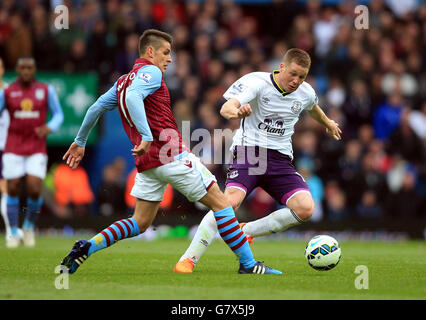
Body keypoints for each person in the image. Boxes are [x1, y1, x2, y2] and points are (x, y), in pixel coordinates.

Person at [60, 29, 281, 275]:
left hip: (147, 162)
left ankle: (87, 247)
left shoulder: (122, 81)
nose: (169, 59)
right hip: (170, 154)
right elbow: (134, 97)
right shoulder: (151, 72)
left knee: (140, 222)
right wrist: (146, 135)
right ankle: (249, 265)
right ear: (150, 51)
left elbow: (95, 107)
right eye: (165, 53)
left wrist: (80, 141)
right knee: (222, 205)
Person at [174, 48, 342, 273]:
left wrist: (328, 123)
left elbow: (312, 108)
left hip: (280, 159)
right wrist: (237, 112)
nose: (296, 81)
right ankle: (188, 259)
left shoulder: (306, 92)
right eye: (292, 74)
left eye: (302, 77)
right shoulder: (257, 82)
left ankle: (246, 232)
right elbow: (226, 107)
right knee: (227, 204)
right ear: (281, 67)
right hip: (250, 153)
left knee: (305, 208)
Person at [0, 55, 64, 248]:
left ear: (34, 70)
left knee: (35, 188)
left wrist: (49, 127)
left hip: (36, 146)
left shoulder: (45, 91)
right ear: (17, 71)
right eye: (22, 68)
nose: (26, 72)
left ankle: (28, 227)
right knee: (12, 188)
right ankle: (12, 232)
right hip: (13, 145)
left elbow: (58, 114)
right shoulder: (8, 92)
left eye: (29, 68)